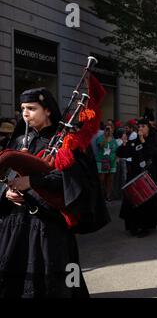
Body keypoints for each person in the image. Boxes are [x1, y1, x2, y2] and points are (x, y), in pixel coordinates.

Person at [0, 87, 109, 297]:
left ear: (47, 110)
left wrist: (32, 181)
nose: (25, 113)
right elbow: (6, 174)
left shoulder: (67, 141)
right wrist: (7, 191)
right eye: (22, 108)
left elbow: (74, 180)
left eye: (31, 108)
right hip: (15, 224)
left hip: (49, 225)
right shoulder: (19, 141)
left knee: (57, 281)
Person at [116, 116, 157, 237]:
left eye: (143, 126)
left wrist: (143, 141)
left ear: (148, 128)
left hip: (148, 174)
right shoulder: (134, 140)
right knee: (132, 200)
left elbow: (156, 153)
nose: (141, 129)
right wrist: (124, 143)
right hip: (135, 174)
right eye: (139, 127)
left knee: (146, 202)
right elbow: (122, 153)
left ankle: (145, 227)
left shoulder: (154, 139)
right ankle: (133, 226)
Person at [96, 125, 118, 201]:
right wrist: (105, 137)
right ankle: (101, 196)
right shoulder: (101, 138)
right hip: (102, 161)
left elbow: (117, 150)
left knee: (110, 179)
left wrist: (116, 158)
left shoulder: (114, 140)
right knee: (102, 179)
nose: (109, 130)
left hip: (112, 162)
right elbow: (100, 146)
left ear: (113, 130)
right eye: (107, 128)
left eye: (110, 128)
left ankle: (108, 196)